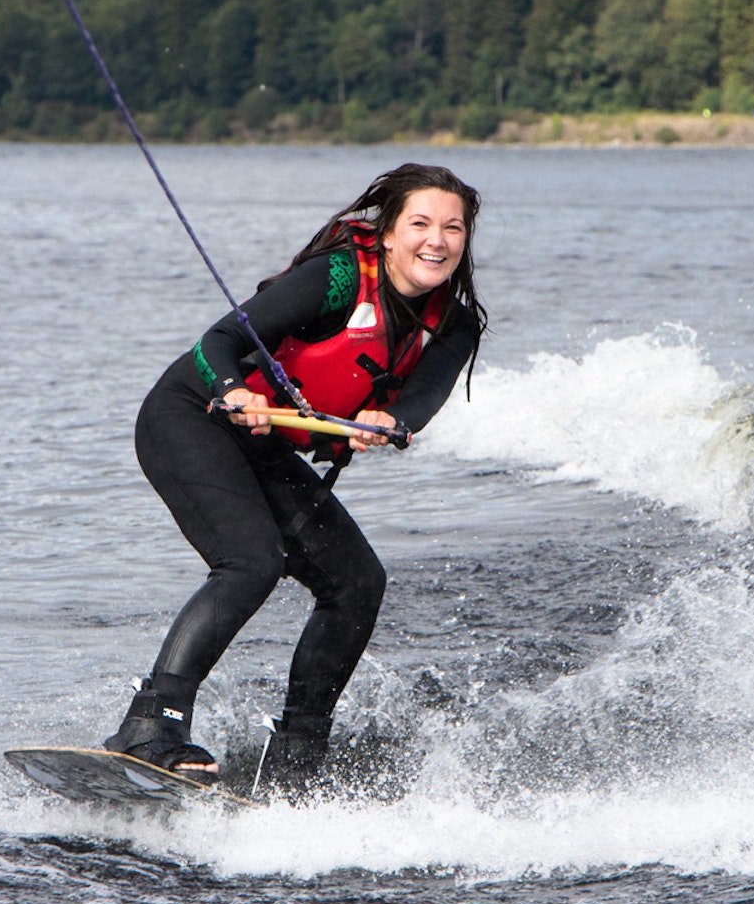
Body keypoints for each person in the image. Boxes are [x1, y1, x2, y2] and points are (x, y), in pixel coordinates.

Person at [103, 163, 487, 792]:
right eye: (420, 223)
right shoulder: (336, 279)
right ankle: (152, 725)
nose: (436, 241)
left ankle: (298, 756)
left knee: (356, 580)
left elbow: (422, 400)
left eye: (452, 228)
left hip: (262, 447)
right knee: (252, 561)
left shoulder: (455, 324)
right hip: (190, 416)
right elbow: (218, 340)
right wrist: (233, 391)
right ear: (388, 232)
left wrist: (387, 420)